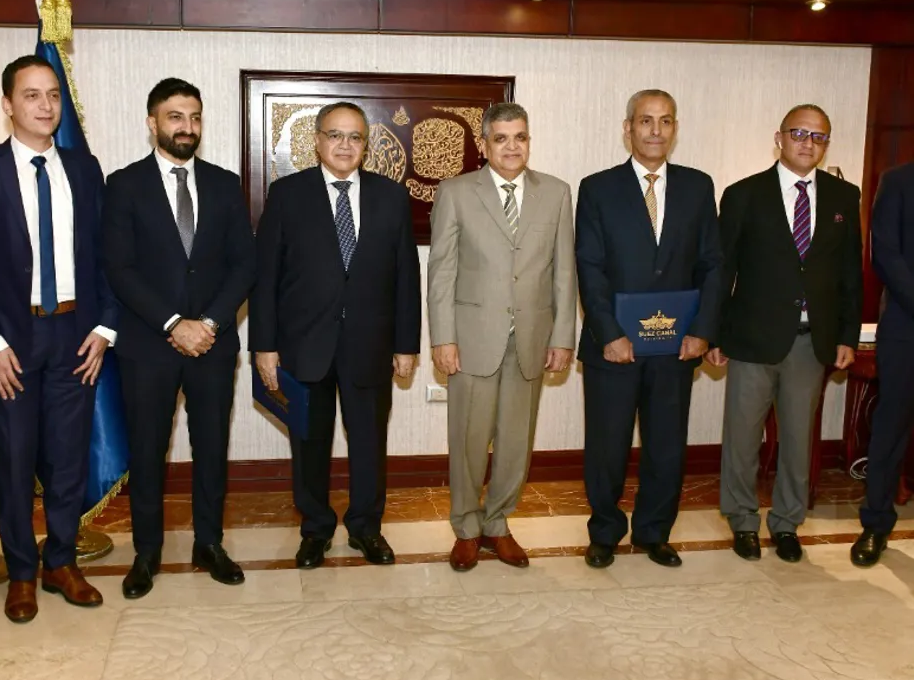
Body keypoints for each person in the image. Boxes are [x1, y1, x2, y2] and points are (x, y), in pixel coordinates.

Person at [0, 54, 117, 622]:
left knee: (67, 460)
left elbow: (105, 257)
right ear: (8, 104)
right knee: (12, 461)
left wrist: (105, 327)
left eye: (53, 94)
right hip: (8, 341)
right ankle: (21, 573)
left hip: (75, 337)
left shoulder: (85, 169)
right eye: (32, 95)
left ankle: (60, 561)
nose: (46, 106)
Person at [102, 78, 256, 598]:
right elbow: (119, 269)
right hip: (148, 346)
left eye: (193, 117)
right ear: (152, 123)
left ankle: (208, 544)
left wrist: (209, 323)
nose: (185, 127)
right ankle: (147, 552)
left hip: (213, 345)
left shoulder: (224, 184)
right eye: (174, 117)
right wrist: (173, 323)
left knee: (211, 447)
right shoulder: (123, 185)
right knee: (149, 451)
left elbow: (244, 264)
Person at [251, 102, 420, 570]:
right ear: (317, 141)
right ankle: (316, 530)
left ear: (366, 145)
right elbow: (266, 278)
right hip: (304, 347)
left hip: (371, 346)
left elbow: (407, 276)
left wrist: (407, 344)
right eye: (335, 135)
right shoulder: (287, 194)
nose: (345, 145)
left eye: (355, 137)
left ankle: (366, 527)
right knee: (309, 445)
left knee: (369, 443)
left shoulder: (390, 197)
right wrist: (264, 346)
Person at [577, 89, 723, 569]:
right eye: (645, 121)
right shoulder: (597, 188)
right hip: (613, 346)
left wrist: (703, 330)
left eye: (665, 121)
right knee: (607, 446)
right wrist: (609, 332)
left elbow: (713, 265)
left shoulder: (699, 187)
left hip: (676, 348)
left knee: (665, 446)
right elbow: (590, 267)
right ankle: (604, 533)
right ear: (628, 128)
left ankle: (654, 532)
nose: (655, 130)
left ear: (675, 128)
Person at [709, 104, 862, 563]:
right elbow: (723, 272)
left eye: (818, 137)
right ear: (779, 137)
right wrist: (713, 333)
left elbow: (850, 274)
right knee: (742, 437)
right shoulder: (742, 195)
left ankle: (787, 523)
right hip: (752, 339)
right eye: (799, 133)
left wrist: (847, 337)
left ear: (825, 145)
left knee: (798, 439)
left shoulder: (842, 196)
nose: (807, 143)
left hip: (811, 343)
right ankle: (741, 520)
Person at [428, 102, 576, 572]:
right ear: (485, 143)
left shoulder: (555, 193)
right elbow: (441, 271)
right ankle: (467, 528)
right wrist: (442, 337)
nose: (512, 147)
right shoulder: (456, 192)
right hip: (472, 338)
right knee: (469, 440)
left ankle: (498, 523)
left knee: (516, 442)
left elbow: (564, 272)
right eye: (502, 138)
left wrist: (563, 336)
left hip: (532, 339)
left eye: (521, 138)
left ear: (529, 141)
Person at [852, 163, 914, 566]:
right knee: (891, 428)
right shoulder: (898, 181)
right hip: (907, 326)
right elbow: (886, 255)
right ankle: (876, 525)